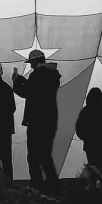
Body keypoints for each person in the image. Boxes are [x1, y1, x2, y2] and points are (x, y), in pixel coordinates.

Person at [12, 49, 61, 192]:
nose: (31, 66)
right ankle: (54, 185)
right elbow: (35, 89)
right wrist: (22, 80)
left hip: (37, 121)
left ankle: (38, 186)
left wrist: (16, 81)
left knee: (33, 157)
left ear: (35, 62)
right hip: (50, 120)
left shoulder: (37, 76)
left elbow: (27, 92)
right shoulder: (52, 76)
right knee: (46, 155)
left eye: (31, 63)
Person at [75, 87, 102, 188]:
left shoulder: (85, 111)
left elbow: (79, 129)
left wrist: (86, 138)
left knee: (92, 168)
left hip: (90, 146)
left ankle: (92, 189)